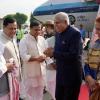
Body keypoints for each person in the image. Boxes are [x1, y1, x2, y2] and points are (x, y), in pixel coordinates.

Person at [44, 12, 82, 100]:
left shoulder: (75, 33)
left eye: (57, 23)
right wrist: (50, 52)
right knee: (58, 97)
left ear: (65, 22)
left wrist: (54, 53)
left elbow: (74, 55)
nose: (55, 25)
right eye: (54, 23)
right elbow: (58, 51)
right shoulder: (58, 34)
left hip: (72, 75)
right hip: (60, 74)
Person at [19, 20, 53, 100]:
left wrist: (51, 62)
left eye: (39, 29)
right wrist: (36, 59)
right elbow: (23, 56)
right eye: (36, 29)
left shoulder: (42, 39)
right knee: (28, 95)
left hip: (41, 72)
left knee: (39, 94)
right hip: (30, 73)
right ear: (30, 29)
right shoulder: (24, 40)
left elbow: (46, 53)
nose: (38, 31)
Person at [0, 17, 21, 100]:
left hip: (16, 77)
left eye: (15, 28)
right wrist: (6, 66)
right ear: (3, 27)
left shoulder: (13, 37)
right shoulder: (0, 40)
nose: (13, 31)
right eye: (11, 28)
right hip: (5, 81)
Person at [84, 16, 100, 94]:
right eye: (96, 29)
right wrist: (88, 77)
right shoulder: (94, 44)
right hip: (93, 88)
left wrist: (97, 83)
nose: (96, 32)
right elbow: (87, 62)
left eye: (99, 29)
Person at [45, 20, 56, 100]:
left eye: (47, 28)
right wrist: (52, 64)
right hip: (51, 69)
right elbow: (46, 55)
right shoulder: (48, 40)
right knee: (51, 88)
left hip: (60, 69)